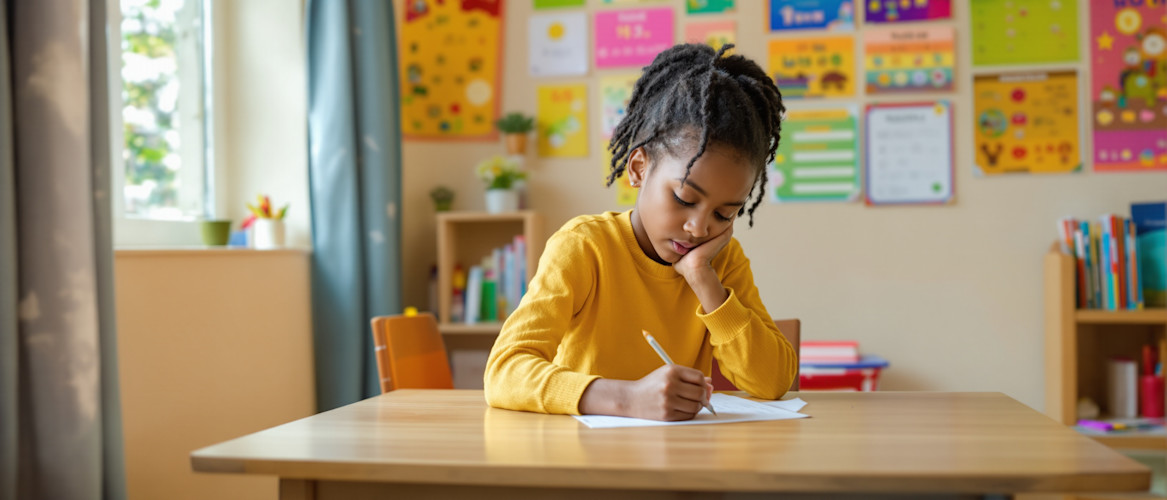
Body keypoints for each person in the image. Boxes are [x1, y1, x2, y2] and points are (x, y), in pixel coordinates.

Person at [484, 43, 796, 421]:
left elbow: (773, 381)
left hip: (675, 463)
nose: (699, 228)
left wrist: (704, 280)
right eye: (683, 198)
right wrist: (626, 399)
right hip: (584, 461)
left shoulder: (720, 262)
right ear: (638, 167)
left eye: (724, 213)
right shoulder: (585, 247)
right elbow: (503, 370)